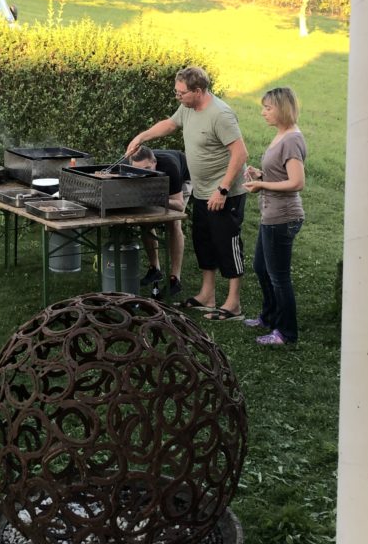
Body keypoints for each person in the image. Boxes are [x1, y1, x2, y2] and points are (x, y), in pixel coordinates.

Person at [124, 66, 248, 319]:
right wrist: (141, 137)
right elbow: (170, 124)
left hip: (225, 192)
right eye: (176, 92)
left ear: (198, 91)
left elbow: (240, 153)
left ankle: (233, 304)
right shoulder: (188, 108)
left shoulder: (220, 115)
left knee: (227, 244)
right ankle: (207, 296)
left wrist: (223, 189)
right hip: (202, 191)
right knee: (204, 243)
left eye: (181, 93)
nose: (177, 96)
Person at [242, 86, 308, 346]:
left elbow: (297, 182)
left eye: (268, 108)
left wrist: (262, 184)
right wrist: (261, 175)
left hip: (283, 217)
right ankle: (269, 318)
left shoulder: (291, 140)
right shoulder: (281, 135)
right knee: (261, 268)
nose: (263, 112)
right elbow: (281, 174)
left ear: (282, 109)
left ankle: (286, 332)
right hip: (271, 214)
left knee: (279, 277)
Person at [122, 146, 189, 300]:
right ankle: (155, 269)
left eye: (147, 169)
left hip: (182, 179)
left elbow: (179, 205)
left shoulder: (170, 166)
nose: (144, 173)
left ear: (154, 162)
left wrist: (154, 198)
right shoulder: (127, 164)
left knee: (174, 222)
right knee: (145, 221)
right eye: (138, 170)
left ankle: (175, 279)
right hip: (154, 187)